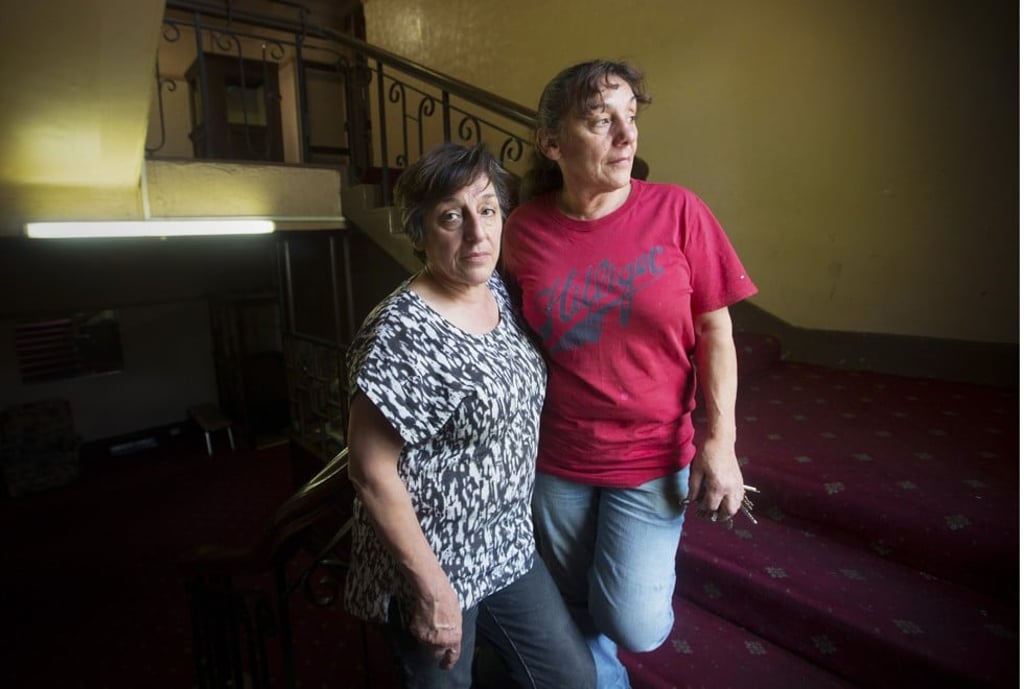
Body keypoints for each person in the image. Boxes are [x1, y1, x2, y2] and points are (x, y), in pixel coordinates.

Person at [501, 60, 759, 688]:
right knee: (575, 605)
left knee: (636, 622)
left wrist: (720, 440)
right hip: (558, 455)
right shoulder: (521, 231)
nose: (626, 135)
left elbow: (715, 331)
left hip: (652, 453)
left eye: (631, 118)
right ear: (552, 142)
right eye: (600, 120)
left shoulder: (678, 211)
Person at [344, 142, 596, 689]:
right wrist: (433, 590)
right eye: (451, 217)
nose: (477, 234)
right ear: (419, 233)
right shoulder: (401, 334)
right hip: (430, 563)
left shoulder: (497, 291)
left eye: (487, 210)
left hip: (505, 545)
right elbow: (369, 471)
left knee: (571, 677)